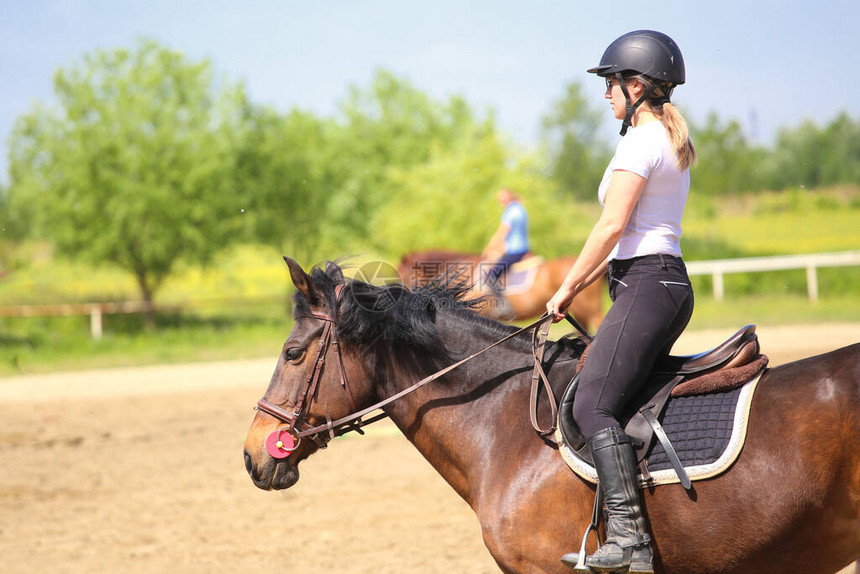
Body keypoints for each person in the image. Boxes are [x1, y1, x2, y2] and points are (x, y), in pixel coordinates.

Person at [546, 30, 696, 574]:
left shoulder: (641, 140)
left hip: (647, 283)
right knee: (618, 394)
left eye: (611, 82)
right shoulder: (665, 137)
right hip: (661, 285)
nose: (605, 93)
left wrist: (566, 288)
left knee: (591, 404)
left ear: (636, 85)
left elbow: (611, 226)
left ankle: (630, 538)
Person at [481, 188, 529, 319]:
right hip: (522, 248)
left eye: (502, 198)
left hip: (515, 250)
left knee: (491, 276)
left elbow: (501, 233)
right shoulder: (520, 209)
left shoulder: (510, 212)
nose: (500, 200)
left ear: (508, 197)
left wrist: (488, 249)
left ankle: (504, 306)